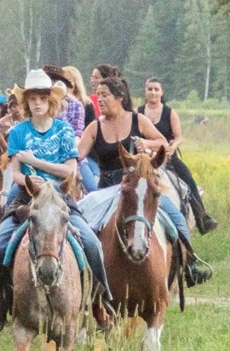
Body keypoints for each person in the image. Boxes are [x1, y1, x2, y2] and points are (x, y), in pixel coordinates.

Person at [0, 70, 112, 336]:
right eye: (32, 98)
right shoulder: (18, 131)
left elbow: (70, 171)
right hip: (25, 197)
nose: (37, 103)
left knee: (92, 244)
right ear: (26, 102)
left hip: (60, 197)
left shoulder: (63, 130)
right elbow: (16, 173)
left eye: (42, 98)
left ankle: (99, 301)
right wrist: (29, 180)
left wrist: (36, 163)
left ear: (50, 100)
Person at [77, 75, 213, 285]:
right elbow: (76, 156)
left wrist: (145, 143)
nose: (99, 100)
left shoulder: (137, 120)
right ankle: (83, 278)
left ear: (119, 97)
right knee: (80, 223)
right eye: (98, 95)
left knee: (175, 217)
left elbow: (163, 143)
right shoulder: (95, 127)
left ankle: (190, 264)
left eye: (104, 95)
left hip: (139, 187)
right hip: (106, 191)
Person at [138, 77, 217, 233]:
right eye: (150, 89)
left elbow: (179, 137)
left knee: (188, 180)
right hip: (143, 158)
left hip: (166, 157)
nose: (153, 92)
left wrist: (173, 147)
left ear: (161, 92)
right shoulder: (137, 112)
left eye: (156, 89)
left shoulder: (169, 113)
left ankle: (202, 217)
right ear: (145, 91)